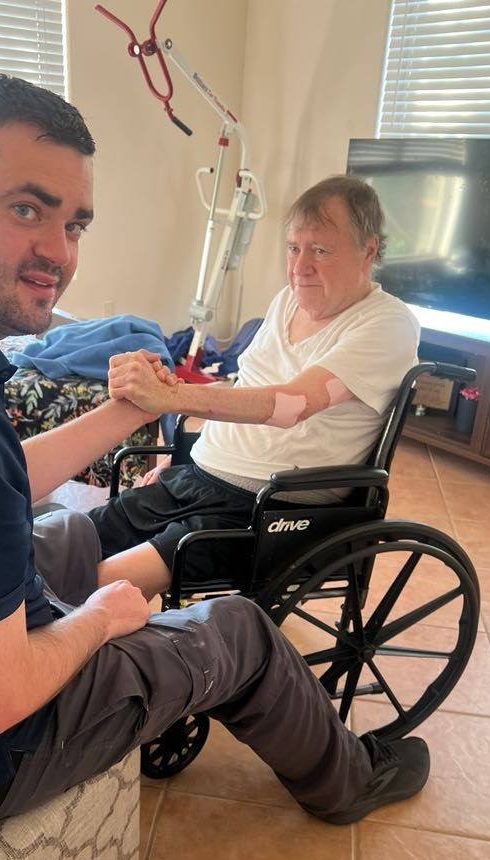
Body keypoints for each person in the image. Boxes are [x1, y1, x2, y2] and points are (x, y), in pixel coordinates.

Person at [0, 74, 429, 834]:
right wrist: (102, 617)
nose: (58, 253)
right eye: (26, 208)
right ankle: (349, 785)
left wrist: (122, 413)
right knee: (238, 628)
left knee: (64, 533)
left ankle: (82, 603)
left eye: (75, 224)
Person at [89, 176, 419, 598]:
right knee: (71, 544)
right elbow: (248, 385)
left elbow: (290, 406)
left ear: (368, 250)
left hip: (269, 509)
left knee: (98, 583)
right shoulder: (286, 301)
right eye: (294, 248)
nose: (300, 267)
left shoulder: (387, 325)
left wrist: (170, 397)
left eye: (320, 250)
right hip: (200, 478)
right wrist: (183, 455)